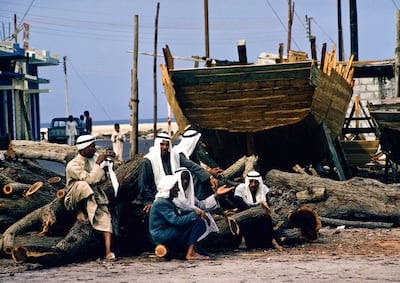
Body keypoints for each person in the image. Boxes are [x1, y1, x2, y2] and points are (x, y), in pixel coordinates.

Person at [64, 134, 117, 260]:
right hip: (74, 195)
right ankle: (80, 211)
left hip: (93, 194)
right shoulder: (73, 165)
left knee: (106, 219)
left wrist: (105, 166)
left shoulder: (92, 159)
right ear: (83, 149)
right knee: (83, 185)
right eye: (91, 147)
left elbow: (101, 179)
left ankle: (108, 251)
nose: (94, 150)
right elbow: (89, 179)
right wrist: (98, 165)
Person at [137, 132, 218, 214]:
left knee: (194, 179)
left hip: (175, 191)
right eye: (162, 144)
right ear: (157, 144)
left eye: (167, 145)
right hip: (157, 193)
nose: (165, 147)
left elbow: (192, 166)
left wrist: (209, 177)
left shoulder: (174, 156)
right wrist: (148, 201)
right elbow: (143, 184)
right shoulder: (148, 161)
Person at [149, 175, 209, 260]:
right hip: (162, 234)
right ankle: (190, 253)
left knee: (197, 221)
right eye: (176, 186)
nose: (178, 189)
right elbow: (176, 221)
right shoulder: (161, 203)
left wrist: (194, 213)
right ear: (169, 188)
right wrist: (194, 214)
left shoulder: (167, 201)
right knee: (199, 223)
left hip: (167, 231)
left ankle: (191, 250)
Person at [173, 167, 234, 242]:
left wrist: (216, 195)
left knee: (205, 216)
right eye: (182, 179)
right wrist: (196, 213)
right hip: (176, 226)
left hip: (188, 223)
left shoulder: (190, 196)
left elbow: (202, 206)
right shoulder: (172, 195)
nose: (185, 181)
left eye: (187, 179)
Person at [234, 170, 282, 250]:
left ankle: (272, 241)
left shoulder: (263, 188)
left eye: (256, 182)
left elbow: (266, 206)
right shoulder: (240, 189)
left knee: (266, 217)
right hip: (244, 215)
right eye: (251, 182)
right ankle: (243, 240)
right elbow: (241, 207)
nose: (253, 184)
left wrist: (262, 208)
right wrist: (257, 210)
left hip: (260, 216)